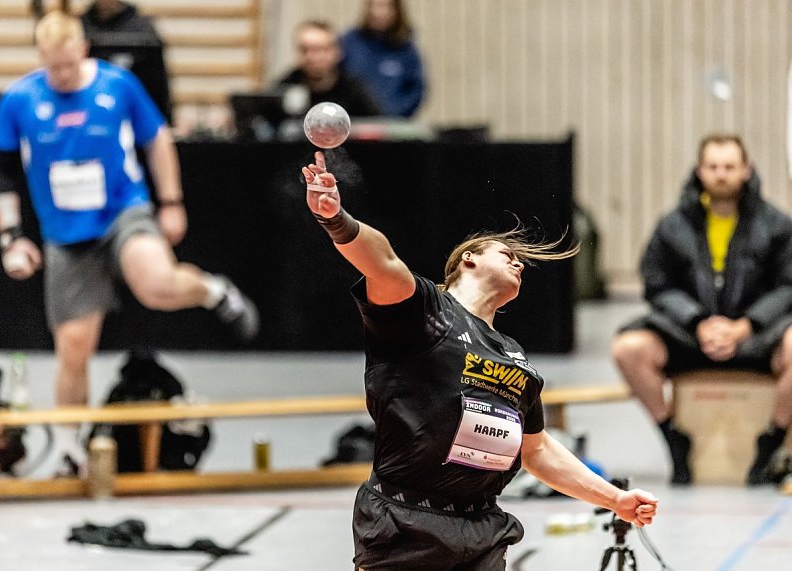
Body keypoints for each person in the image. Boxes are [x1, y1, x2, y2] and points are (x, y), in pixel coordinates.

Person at [301, 151, 658, 570]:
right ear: (467, 258)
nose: (518, 261)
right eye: (504, 252)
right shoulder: (427, 313)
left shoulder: (516, 358)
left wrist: (615, 499)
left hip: (481, 530)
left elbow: (538, 452)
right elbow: (383, 264)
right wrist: (337, 219)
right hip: (405, 524)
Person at [0, 11, 259, 474]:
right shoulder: (20, 99)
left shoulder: (118, 86)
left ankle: (214, 291)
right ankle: (72, 450)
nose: (62, 76)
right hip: (66, 232)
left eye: (68, 66)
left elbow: (157, 141)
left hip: (123, 211)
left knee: (156, 283)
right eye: (52, 68)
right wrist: (11, 237)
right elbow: (1, 173)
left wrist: (170, 201)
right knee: (74, 344)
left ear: (83, 50)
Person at [612, 134, 792, 486]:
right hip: (691, 337)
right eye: (713, 166)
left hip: (757, 338)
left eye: (729, 166)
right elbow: (656, 284)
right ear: (699, 171)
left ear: (746, 170)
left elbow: (789, 286)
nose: (721, 174)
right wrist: (697, 322)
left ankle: (772, 439)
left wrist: (746, 326)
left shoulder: (777, 225)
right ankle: (672, 436)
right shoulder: (673, 225)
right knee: (628, 349)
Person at [80, 0, 172, 124]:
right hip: (87, 119)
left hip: (133, 119)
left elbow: (159, 89)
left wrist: (165, 123)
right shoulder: (80, 27)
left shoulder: (143, 30)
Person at [276, 20, 383, 119]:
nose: (311, 57)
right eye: (304, 50)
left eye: (318, 50)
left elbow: (379, 125)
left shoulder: (354, 90)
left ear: (337, 52)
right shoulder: (284, 87)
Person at [341, 0, 426, 118]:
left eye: (384, 7)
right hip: (355, 123)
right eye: (373, 6)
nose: (377, 13)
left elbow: (415, 90)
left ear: (397, 11)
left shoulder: (406, 49)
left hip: (393, 124)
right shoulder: (349, 42)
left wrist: (395, 115)